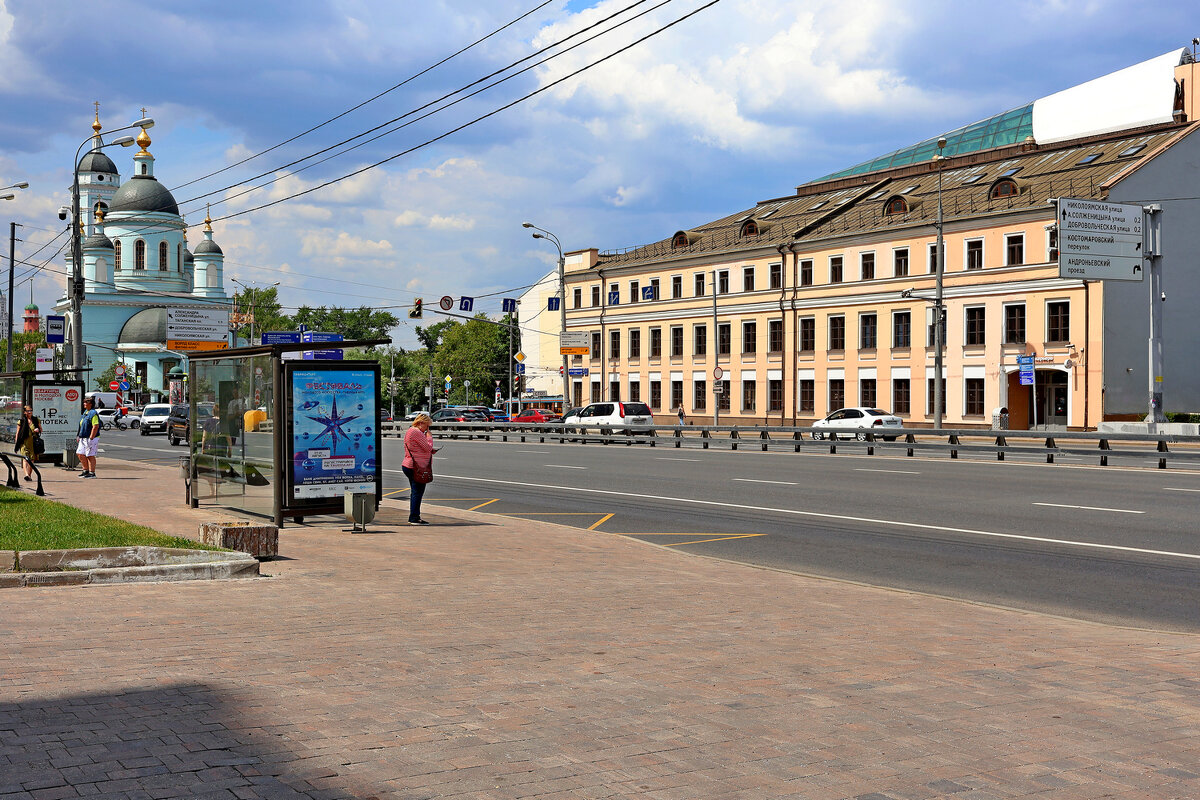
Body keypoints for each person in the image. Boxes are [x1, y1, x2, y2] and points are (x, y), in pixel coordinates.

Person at [401, 412, 438, 525]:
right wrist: (429, 437)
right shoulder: (416, 432)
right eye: (427, 425)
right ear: (421, 423)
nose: (427, 428)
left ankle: (414, 516)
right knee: (417, 492)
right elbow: (427, 447)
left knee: (415, 492)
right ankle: (414, 518)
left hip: (410, 464)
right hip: (416, 467)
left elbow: (418, 447)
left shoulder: (411, 431)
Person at [14, 406, 42, 482]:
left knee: (32, 459)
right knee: (25, 459)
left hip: (33, 442)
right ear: (24, 412)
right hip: (24, 442)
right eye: (28, 411)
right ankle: (26, 474)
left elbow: (41, 430)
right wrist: (17, 442)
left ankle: (29, 475)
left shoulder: (36, 420)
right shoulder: (21, 421)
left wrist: (38, 430)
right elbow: (18, 433)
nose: (30, 412)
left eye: (31, 410)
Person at [76, 397, 101, 478]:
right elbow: (81, 425)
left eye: (86, 402)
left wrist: (91, 437)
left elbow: (95, 426)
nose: (84, 404)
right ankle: (85, 470)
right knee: (80, 453)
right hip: (83, 437)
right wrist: (78, 435)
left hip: (90, 438)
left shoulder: (93, 413)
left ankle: (92, 472)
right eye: (84, 402)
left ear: (91, 404)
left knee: (90, 455)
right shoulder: (85, 412)